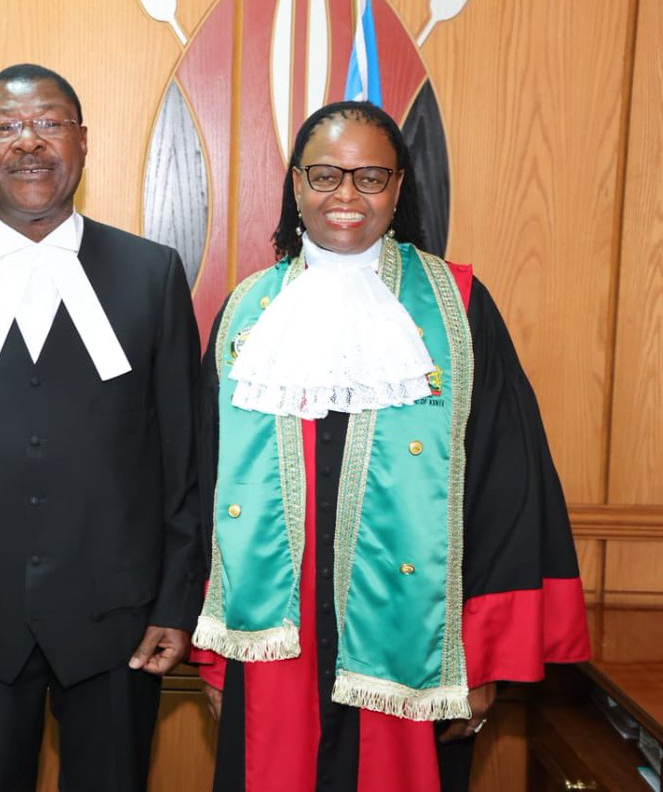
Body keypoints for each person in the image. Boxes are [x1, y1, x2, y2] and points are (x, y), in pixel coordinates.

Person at [191, 101, 591, 792]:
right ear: (294, 184)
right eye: (325, 174)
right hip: (275, 646)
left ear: (400, 187)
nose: (346, 195)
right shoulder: (246, 313)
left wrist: (483, 660)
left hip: (419, 646)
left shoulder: (459, 308)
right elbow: (203, 488)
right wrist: (219, 658)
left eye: (370, 176)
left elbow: (506, 484)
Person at [0, 63, 204, 792]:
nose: (29, 143)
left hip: (117, 618)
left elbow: (183, 455)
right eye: (6, 127)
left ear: (83, 141)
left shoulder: (151, 273)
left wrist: (175, 601)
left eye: (49, 123)